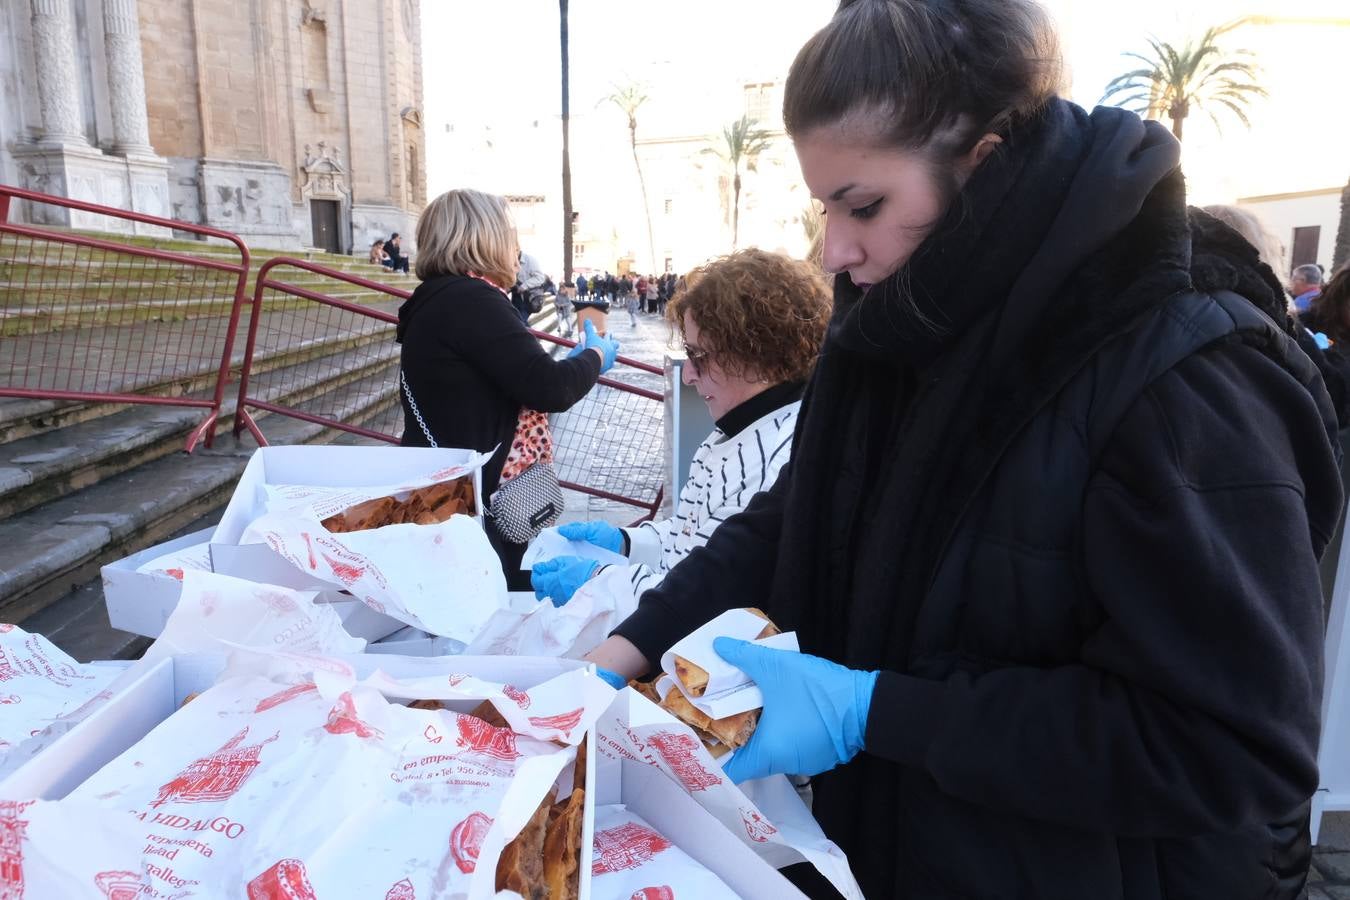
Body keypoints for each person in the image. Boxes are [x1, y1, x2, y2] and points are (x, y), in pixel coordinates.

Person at [583, 2, 1343, 898]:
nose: (834, 249)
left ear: (986, 165)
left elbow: (1228, 747)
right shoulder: (894, 328)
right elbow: (796, 516)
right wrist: (621, 651)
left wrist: (880, 712)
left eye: (864, 205)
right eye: (825, 206)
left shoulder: (1184, 373)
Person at [531, 249, 830, 618]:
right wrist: (626, 542)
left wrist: (601, 582)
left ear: (756, 355)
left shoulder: (778, 461)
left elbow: (709, 596)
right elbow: (690, 536)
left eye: (698, 355)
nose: (688, 375)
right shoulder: (738, 429)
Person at [397, 189, 620, 588]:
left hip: (447, 489)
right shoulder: (472, 300)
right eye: (509, 234)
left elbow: (513, 370)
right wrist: (596, 358)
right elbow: (550, 388)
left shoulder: (437, 299)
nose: (516, 248)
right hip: (477, 501)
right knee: (493, 603)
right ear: (484, 237)